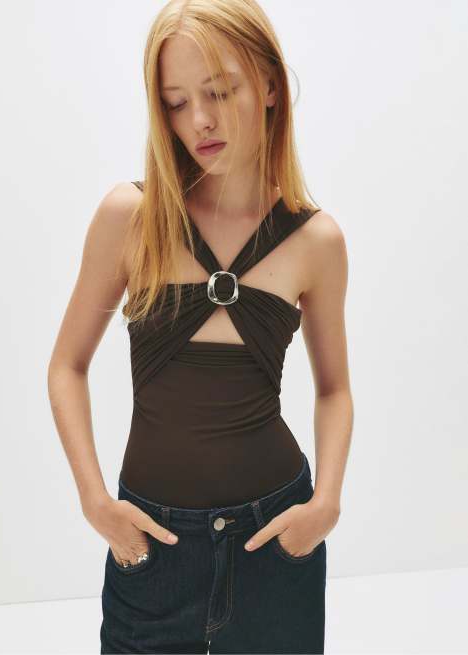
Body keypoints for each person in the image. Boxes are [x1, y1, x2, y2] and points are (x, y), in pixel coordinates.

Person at [47, 0, 353, 652]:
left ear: (270, 85)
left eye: (218, 91)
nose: (199, 121)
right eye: (176, 103)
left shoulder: (316, 241)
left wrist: (325, 502)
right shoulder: (130, 217)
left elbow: (334, 389)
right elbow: (66, 366)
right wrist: (95, 501)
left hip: (275, 541)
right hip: (151, 547)